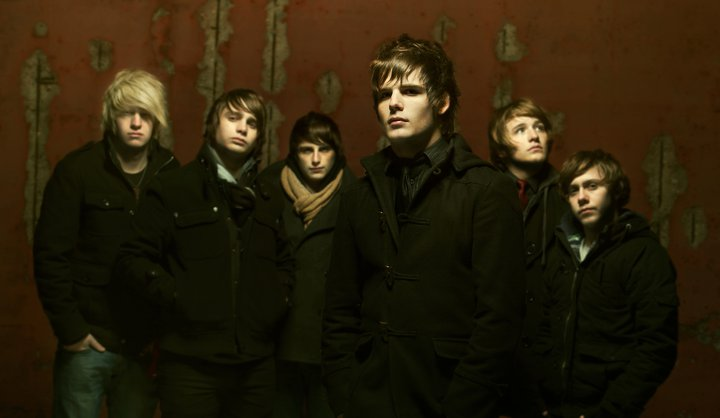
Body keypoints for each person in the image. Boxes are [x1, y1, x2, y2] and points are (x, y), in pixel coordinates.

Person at [321, 34, 526, 418]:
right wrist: (345, 395)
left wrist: (462, 407)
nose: (393, 103)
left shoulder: (487, 190)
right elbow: (338, 310)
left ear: (442, 101)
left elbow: (499, 322)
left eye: (410, 91)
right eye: (384, 95)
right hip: (368, 400)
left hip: (448, 399)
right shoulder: (359, 195)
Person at [116, 88, 293, 418]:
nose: (242, 128)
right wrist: (177, 296)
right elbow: (132, 258)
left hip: (255, 365)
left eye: (252, 123)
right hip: (189, 365)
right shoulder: (174, 187)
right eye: (233, 117)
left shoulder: (269, 198)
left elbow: (285, 262)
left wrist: (276, 301)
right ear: (212, 125)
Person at [33, 69, 178, 418]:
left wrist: (164, 334)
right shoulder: (78, 171)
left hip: (143, 346)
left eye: (145, 114)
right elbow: (50, 255)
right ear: (111, 116)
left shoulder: (172, 173)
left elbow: (180, 259)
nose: (136, 123)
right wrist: (72, 331)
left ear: (157, 120)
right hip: (88, 341)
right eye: (127, 113)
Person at [536, 149, 678, 417]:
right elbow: (545, 327)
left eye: (592, 186)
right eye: (573, 190)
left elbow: (657, 348)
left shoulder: (644, 254)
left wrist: (608, 413)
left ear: (615, 190)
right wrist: (542, 400)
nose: (582, 197)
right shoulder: (561, 251)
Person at [259, 111, 356, 418]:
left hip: (329, 343)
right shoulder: (268, 189)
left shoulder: (355, 196)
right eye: (306, 150)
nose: (315, 159)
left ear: (336, 152)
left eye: (323, 149)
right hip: (276, 338)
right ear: (294, 153)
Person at [488, 98, 569, 416]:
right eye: (520, 129)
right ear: (501, 148)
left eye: (539, 128)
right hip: (493, 356)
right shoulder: (482, 192)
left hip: (550, 359)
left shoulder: (571, 196)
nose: (534, 135)